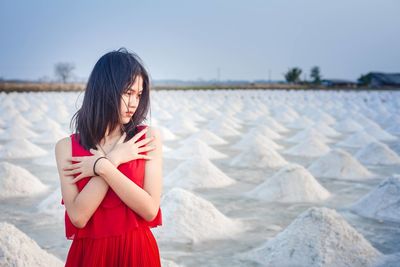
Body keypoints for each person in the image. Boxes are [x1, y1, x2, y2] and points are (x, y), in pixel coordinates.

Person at [55, 48, 163, 267]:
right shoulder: (66, 147)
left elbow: (150, 210)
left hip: (137, 253)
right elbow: (78, 216)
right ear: (104, 90)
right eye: (127, 92)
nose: (134, 103)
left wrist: (102, 167)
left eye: (139, 95)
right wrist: (113, 159)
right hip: (89, 256)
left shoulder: (146, 138)